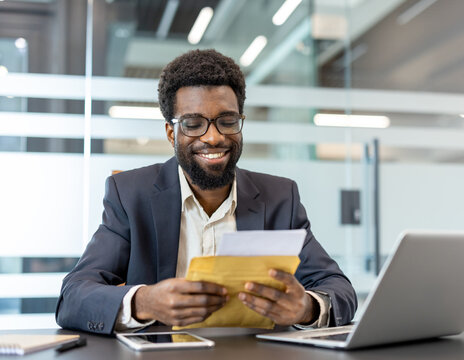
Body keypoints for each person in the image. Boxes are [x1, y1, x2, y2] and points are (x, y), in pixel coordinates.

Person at [55, 49, 357, 335]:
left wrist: (306, 307)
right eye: (193, 123)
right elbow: (73, 296)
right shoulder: (131, 195)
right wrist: (145, 302)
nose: (213, 137)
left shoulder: (280, 197)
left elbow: (339, 288)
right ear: (171, 132)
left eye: (227, 121)